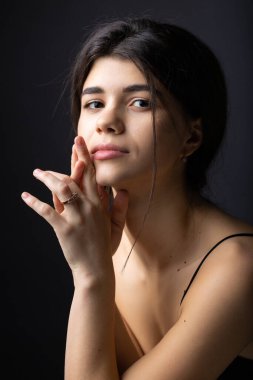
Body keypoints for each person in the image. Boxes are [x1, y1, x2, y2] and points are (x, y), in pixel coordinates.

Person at [21, 17, 253, 379]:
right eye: (94, 103)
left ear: (191, 137)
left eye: (140, 102)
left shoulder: (241, 267)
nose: (107, 122)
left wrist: (91, 278)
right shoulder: (100, 244)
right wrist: (94, 267)